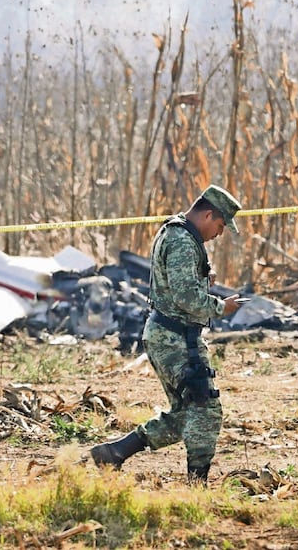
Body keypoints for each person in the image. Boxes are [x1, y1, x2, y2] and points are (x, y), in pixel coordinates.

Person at [90, 184, 243, 485]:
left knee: (187, 414)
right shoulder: (183, 241)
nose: (220, 233)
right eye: (221, 225)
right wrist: (220, 307)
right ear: (208, 214)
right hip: (174, 338)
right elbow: (186, 297)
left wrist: (202, 274)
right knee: (205, 410)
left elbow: (177, 280)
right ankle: (197, 488)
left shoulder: (177, 231)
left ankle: (116, 452)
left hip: (171, 335)